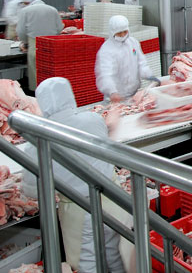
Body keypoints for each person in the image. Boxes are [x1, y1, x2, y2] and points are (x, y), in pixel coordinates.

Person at [22, 77, 126, 273]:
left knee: (88, 263)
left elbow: (32, 191)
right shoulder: (92, 119)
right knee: (115, 255)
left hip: (79, 209)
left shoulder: (37, 140)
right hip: (112, 201)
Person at [95, 15, 155, 101]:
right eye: (119, 33)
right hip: (116, 98)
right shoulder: (106, 50)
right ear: (112, 32)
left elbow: (141, 63)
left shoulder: (133, 43)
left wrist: (149, 76)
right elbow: (105, 74)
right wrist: (112, 91)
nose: (123, 35)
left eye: (125, 32)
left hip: (135, 95)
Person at [17, 0, 63, 91]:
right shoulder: (52, 9)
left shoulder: (25, 10)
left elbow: (21, 30)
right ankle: (52, 91)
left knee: (35, 70)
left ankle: (36, 92)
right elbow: (59, 27)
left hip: (34, 43)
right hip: (51, 43)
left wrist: (25, 42)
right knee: (50, 69)